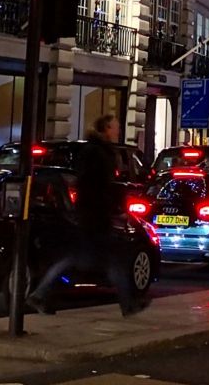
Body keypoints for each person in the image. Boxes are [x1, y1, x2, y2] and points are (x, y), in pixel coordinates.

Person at [28, 115, 143, 316]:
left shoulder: (96, 151)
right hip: (95, 216)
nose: (118, 131)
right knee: (109, 260)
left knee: (83, 259)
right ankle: (128, 304)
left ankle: (41, 294)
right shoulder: (98, 153)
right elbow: (96, 187)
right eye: (115, 127)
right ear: (106, 129)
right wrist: (109, 206)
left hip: (92, 214)